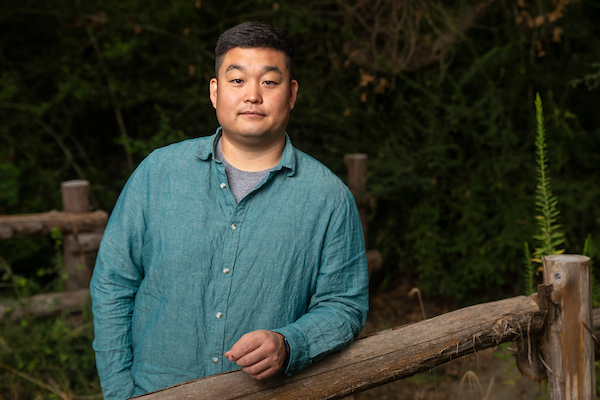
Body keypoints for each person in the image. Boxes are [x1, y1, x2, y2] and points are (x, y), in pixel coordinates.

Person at [90, 21, 369, 400]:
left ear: (292, 93)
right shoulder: (158, 173)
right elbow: (112, 284)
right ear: (215, 90)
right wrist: (120, 391)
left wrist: (290, 344)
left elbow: (344, 305)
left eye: (269, 82)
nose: (253, 95)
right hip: (154, 392)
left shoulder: (328, 198)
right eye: (237, 81)